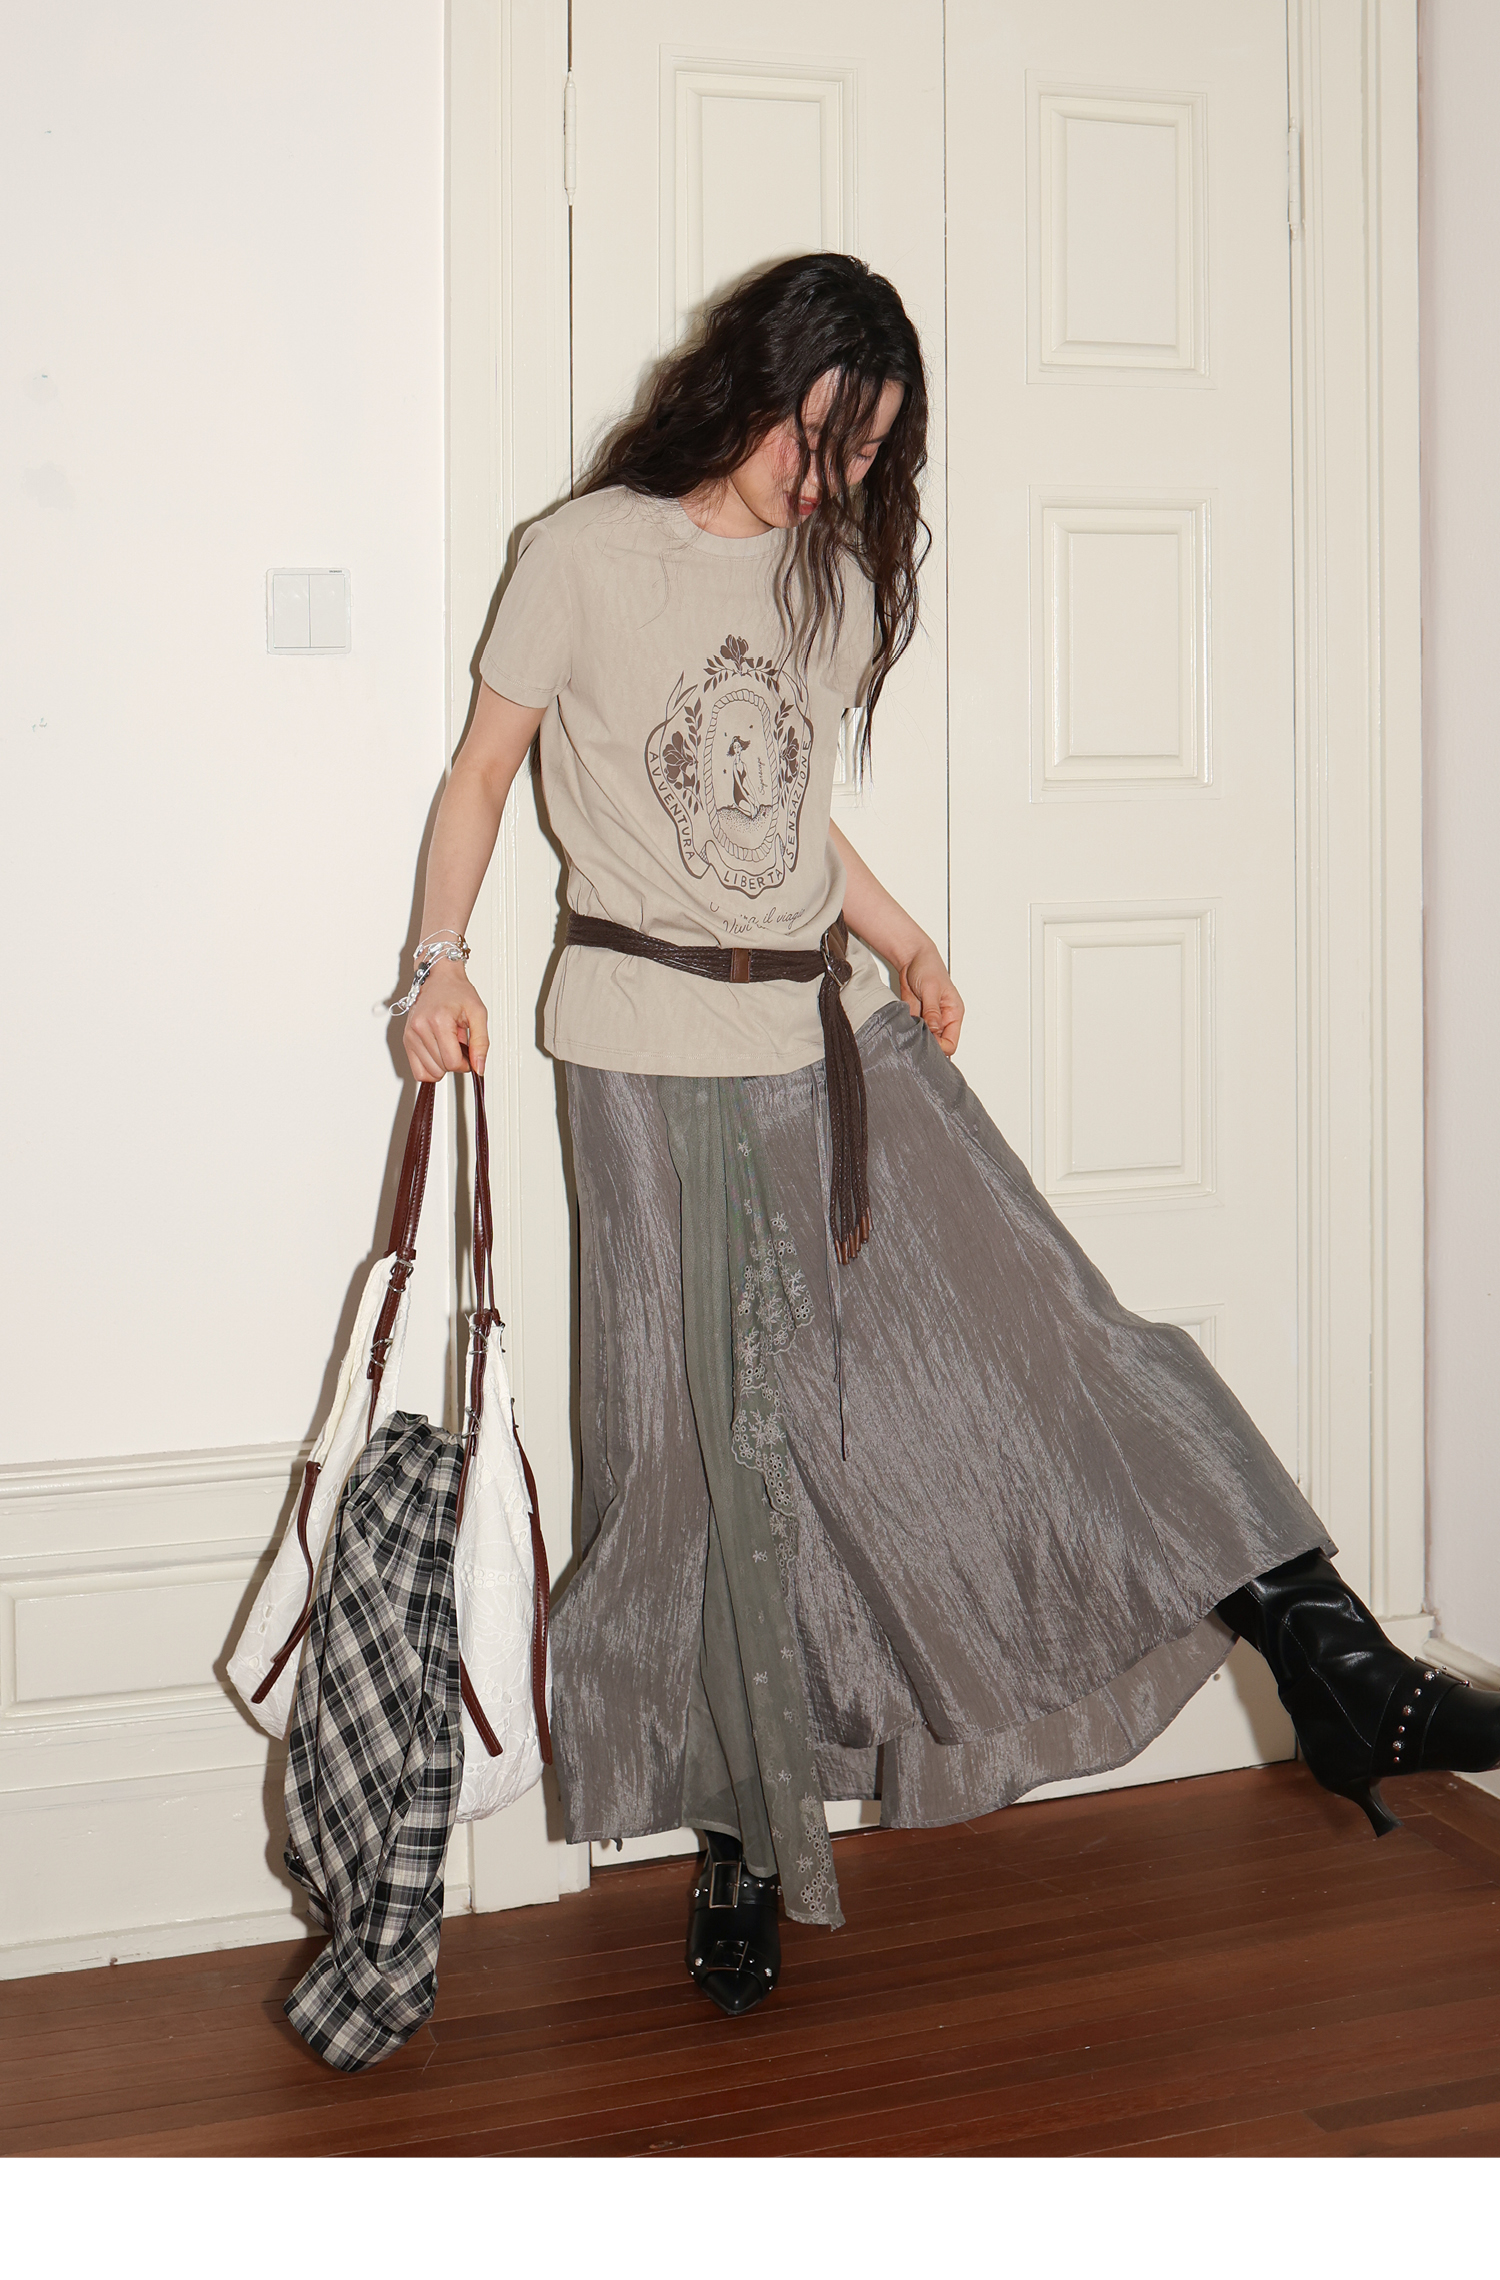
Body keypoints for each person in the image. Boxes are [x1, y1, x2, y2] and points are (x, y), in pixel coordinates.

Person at [401, 252, 1500, 2018]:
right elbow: (480, 771)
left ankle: (1332, 1652)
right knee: (697, 1461)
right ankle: (739, 1840)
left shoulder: (828, 575)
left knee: (1051, 1334)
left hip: (828, 1041)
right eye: (824, 438)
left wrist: (903, 939)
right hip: (647, 1063)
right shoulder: (582, 554)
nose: (834, 479)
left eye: (867, 455)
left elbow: (795, 817)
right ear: (755, 381)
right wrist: (434, 962)